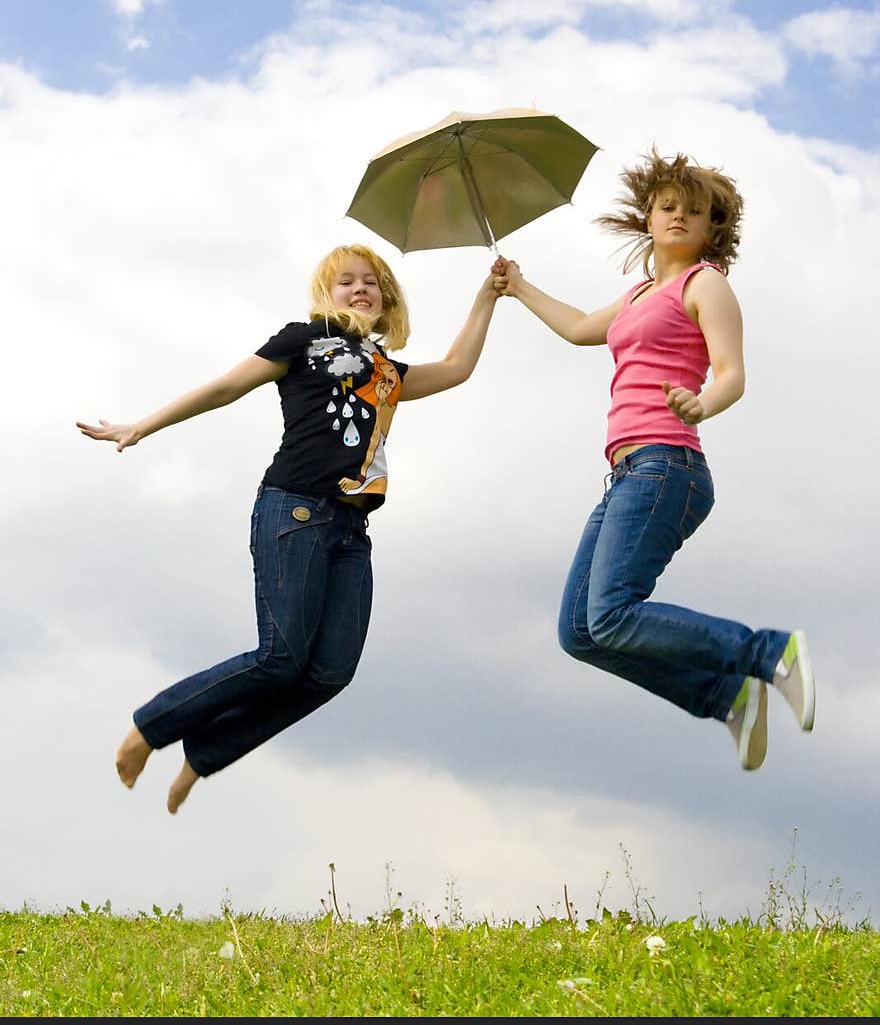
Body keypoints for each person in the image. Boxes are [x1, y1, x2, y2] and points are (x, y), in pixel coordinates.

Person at [77, 243, 500, 812]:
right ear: (326, 295)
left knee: (329, 672)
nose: (360, 289)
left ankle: (204, 754)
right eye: (346, 282)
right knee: (280, 657)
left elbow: (456, 368)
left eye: (371, 283)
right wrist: (142, 426)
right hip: (294, 511)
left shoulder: (387, 371)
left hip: (352, 530)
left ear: (387, 298)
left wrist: (489, 295)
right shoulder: (302, 340)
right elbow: (225, 387)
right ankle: (151, 728)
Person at [492, 147, 815, 771]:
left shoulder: (706, 283)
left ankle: (770, 652)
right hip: (627, 475)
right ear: (648, 215)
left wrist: (701, 404)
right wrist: (519, 286)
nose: (677, 217)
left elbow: (733, 373)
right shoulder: (641, 293)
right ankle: (727, 697)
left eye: (693, 211)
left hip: (669, 464)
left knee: (611, 613)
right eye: (667, 207)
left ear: (709, 227)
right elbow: (583, 327)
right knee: (581, 633)